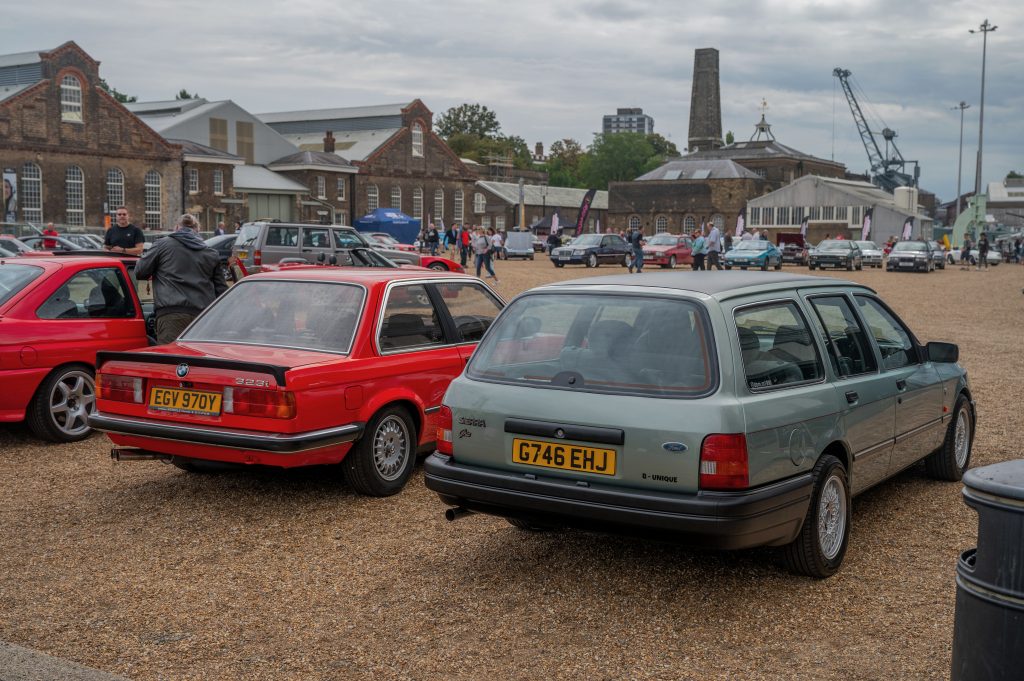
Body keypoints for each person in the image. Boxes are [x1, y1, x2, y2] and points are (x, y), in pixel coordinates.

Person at [135, 214, 227, 344]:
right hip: (202, 317)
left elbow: (140, 272)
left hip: (171, 315)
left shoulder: (162, 245)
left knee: (172, 361)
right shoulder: (210, 252)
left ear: (176, 228)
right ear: (198, 230)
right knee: (198, 361)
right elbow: (222, 290)